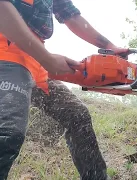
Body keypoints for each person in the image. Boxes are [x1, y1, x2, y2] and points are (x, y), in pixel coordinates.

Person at [0, 0, 128, 179]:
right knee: (6, 134)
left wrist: (109, 47)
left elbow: (70, 14)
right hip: (4, 53)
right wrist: (47, 59)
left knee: (77, 115)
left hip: (33, 60)